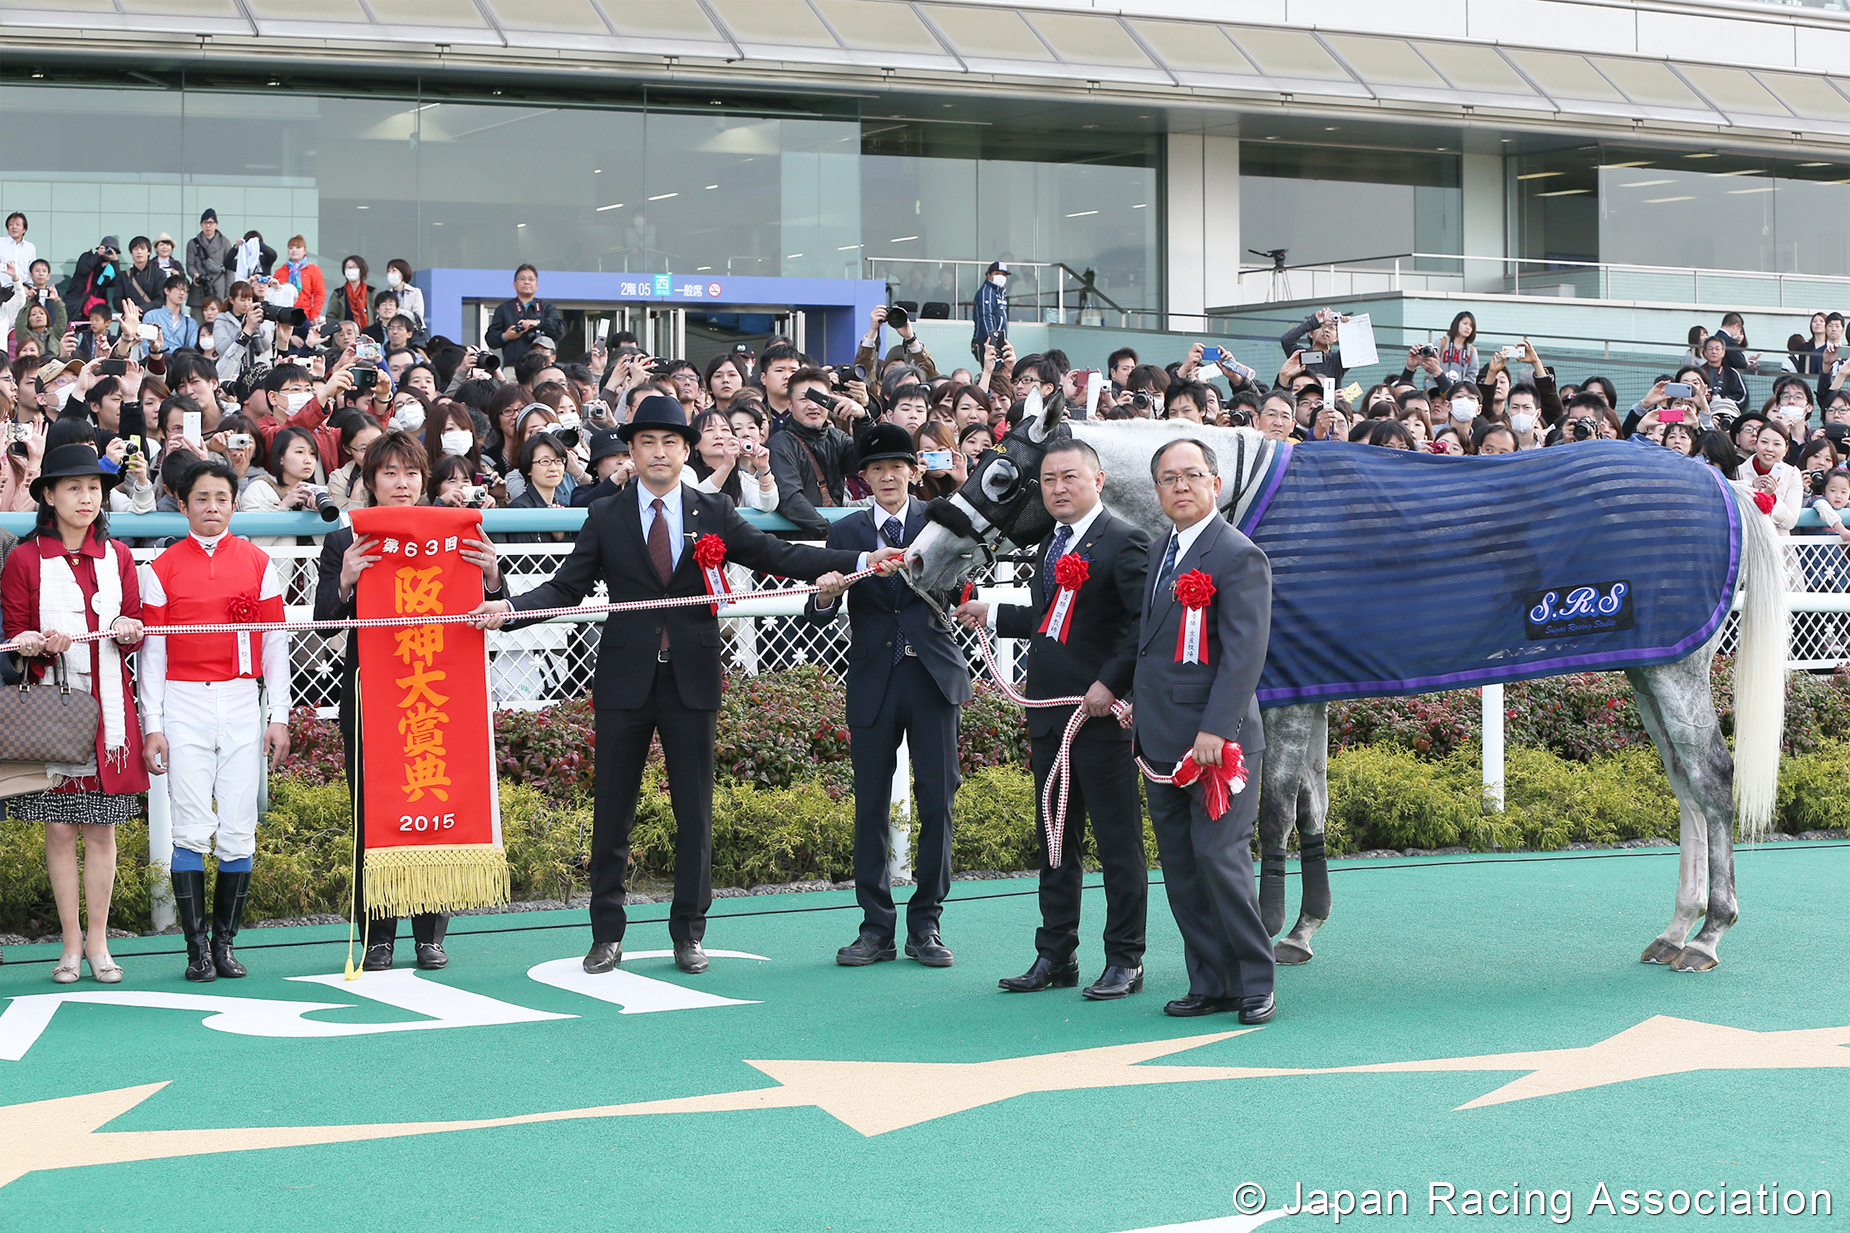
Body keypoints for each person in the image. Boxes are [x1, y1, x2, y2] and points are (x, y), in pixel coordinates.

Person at [470, 396, 901, 976]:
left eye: (670, 442)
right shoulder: (608, 514)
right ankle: (606, 935)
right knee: (613, 811)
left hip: (692, 678)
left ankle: (689, 934)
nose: (659, 452)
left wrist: (862, 559)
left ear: (686, 449)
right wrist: (508, 609)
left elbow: (775, 553)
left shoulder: (713, 510)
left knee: (694, 813)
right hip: (625, 680)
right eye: (647, 442)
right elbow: (566, 588)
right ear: (633, 450)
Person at [954, 437, 1151, 999]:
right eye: (1048, 481)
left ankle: (1124, 959)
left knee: (1118, 845)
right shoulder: (1050, 542)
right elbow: (1053, 618)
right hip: (1050, 718)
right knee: (1056, 841)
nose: (1058, 489)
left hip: (1101, 720)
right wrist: (992, 614)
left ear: (1098, 480)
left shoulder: (1125, 540)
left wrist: (1109, 684)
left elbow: (1142, 627)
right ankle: (1055, 953)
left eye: (1069, 478)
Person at [316, 429, 505, 971]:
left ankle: (431, 935)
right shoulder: (346, 539)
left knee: (437, 799)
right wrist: (347, 581)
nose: (401, 484)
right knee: (373, 813)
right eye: (389, 474)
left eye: (411, 474)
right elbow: (325, 622)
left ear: (425, 481)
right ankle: (377, 936)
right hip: (372, 694)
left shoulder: (456, 532)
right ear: (370, 482)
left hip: (439, 691)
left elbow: (495, 606)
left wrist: (492, 573)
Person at [808, 423, 970, 969]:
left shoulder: (940, 520)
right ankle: (875, 927)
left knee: (937, 799)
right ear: (864, 477)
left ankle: (926, 925)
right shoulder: (846, 530)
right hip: (873, 676)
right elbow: (820, 604)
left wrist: (935, 572)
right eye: (876, 468)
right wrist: (828, 596)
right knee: (871, 803)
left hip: (931, 675)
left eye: (897, 466)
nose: (887, 476)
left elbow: (964, 585)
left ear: (913, 470)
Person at [1135, 437, 1275, 1025]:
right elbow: (1149, 648)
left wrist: (1217, 729)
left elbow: (1245, 655)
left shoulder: (1237, 555)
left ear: (1215, 484)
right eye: (1169, 478)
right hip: (1159, 740)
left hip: (1218, 745)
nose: (1181, 486)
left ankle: (1254, 980)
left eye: (1192, 474)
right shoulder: (1161, 549)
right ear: (1158, 490)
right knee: (1182, 868)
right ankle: (1210, 981)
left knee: (1221, 858)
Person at [138, 459, 291, 982]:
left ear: (234, 503)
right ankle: (195, 948)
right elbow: (152, 654)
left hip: (243, 700)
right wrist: (151, 725)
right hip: (183, 702)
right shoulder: (159, 569)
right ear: (182, 504)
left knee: (239, 829)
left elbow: (275, 645)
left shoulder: (257, 562)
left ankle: (225, 945)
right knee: (190, 827)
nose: (212, 508)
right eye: (201, 498)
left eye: (221, 498)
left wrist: (279, 714)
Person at [1, 443, 148, 984]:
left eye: (94, 488)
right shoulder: (23, 558)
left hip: (110, 712)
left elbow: (132, 623)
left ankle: (100, 942)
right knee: (60, 830)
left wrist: (131, 631)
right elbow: (12, 634)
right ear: (47, 495)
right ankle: (68, 944)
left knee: (101, 831)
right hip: (55, 715)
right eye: (73, 488)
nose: (86, 498)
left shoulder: (121, 556)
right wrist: (34, 643)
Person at [767, 367, 858, 537]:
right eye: (804, 399)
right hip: (798, 542)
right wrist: (830, 532)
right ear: (790, 404)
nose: (813, 406)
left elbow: (864, 460)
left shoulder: (838, 438)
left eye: (819, 399)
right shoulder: (779, 445)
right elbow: (790, 499)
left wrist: (863, 418)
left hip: (832, 539)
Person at [488, 264, 563, 369]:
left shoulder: (547, 308)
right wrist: (505, 336)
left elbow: (560, 331)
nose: (526, 282)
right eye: (522, 278)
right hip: (514, 367)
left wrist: (539, 323)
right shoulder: (504, 309)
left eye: (531, 279)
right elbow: (490, 339)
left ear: (536, 285)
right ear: (514, 284)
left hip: (543, 367)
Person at [187, 210, 232, 310]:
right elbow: (190, 264)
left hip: (218, 286)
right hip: (200, 287)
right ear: (201, 225)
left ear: (216, 225)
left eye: (211, 223)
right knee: (198, 318)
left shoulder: (225, 243)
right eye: (205, 223)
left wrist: (228, 294)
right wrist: (195, 275)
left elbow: (230, 270)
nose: (208, 226)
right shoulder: (193, 243)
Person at [971, 261, 1009, 362]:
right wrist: (993, 341)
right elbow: (985, 317)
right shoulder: (986, 292)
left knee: (1000, 374)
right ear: (989, 275)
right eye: (997, 274)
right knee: (992, 373)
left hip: (999, 341)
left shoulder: (1001, 292)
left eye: (1004, 275)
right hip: (986, 342)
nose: (1001, 277)